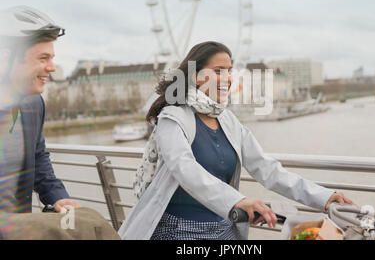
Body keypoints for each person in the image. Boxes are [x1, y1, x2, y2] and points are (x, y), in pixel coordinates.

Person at [118, 41, 353, 240]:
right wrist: (239, 201)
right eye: (219, 70)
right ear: (197, 76)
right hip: (178, 231)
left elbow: (268, 169)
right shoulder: (173, 117)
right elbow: (184, 168)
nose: (228, 78)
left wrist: (324, 197)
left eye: (230, 71)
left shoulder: (228, 120)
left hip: (225, 228)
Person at [0, 6, 80, 220]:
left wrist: (57, 197)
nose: (52, 67)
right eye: (43, 58)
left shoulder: (34, 104)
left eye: (52, 58)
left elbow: (37, 159)